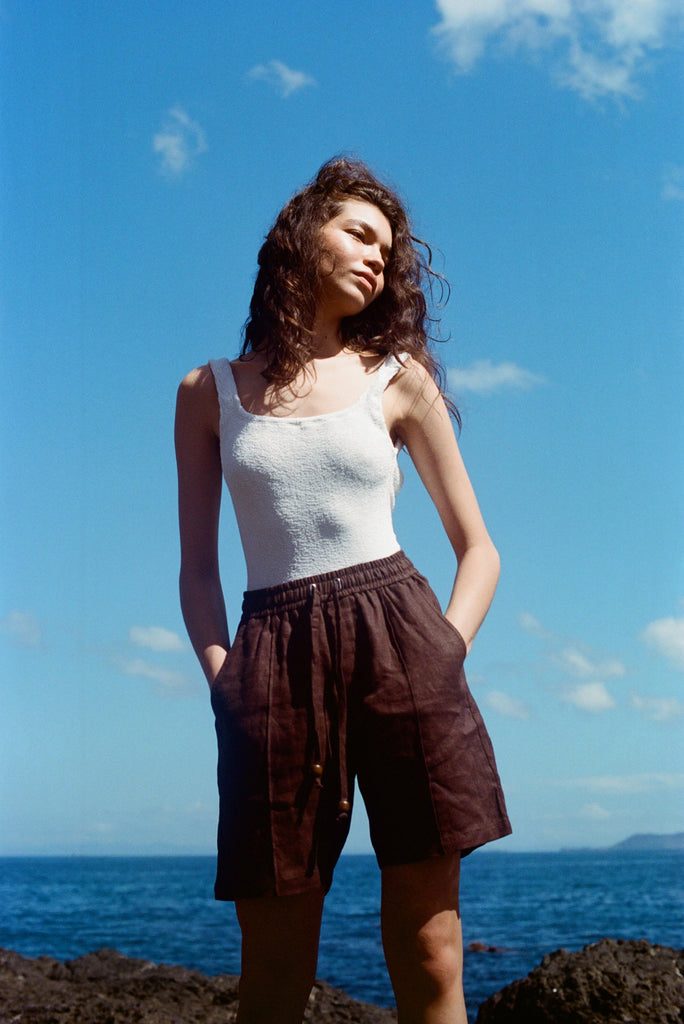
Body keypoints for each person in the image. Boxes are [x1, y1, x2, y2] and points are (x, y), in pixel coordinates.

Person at [175, 157, 511, 1024]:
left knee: (430, 950)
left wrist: (442, 653)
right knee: (274, 966)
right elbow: (199, 568)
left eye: (386, 253)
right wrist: (226, 681)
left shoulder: (398, 378)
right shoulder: (209, 392)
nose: (375, 259)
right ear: (301, 235)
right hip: (271, 659)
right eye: (358, 234)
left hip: (403, 642)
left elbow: (478, 549)